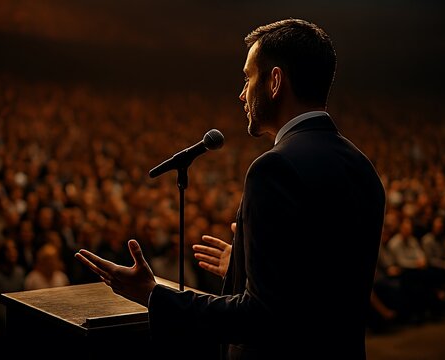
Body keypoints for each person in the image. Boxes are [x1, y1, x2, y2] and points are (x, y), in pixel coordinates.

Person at [75, 18, 385, 359]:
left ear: (275, 81)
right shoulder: (362, 168)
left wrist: (151, 294)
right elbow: (322, 284)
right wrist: (243, 270)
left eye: (249, 76)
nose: (242, 93)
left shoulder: (274, 168)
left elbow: (261, 318)